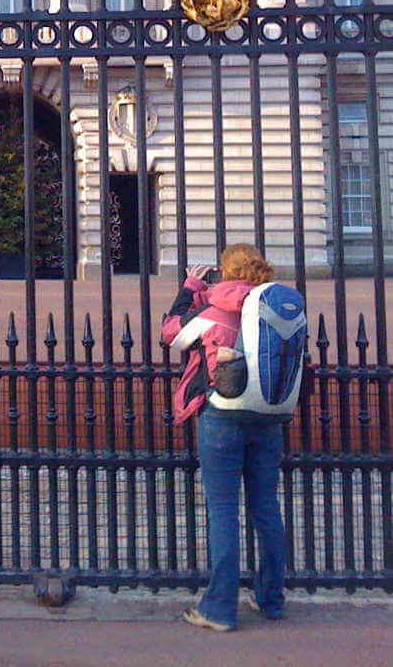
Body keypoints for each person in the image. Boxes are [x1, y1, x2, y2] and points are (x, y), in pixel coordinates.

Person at [161, 243, 286, 632]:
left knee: (223, 510)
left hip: (223, 415)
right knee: (266, 507)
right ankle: (271, 599)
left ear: (225, 275)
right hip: (268, 417)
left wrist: (188, 290)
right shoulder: (278, 310)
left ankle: (219, 608)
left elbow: (171, 334)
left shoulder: (214, 310)